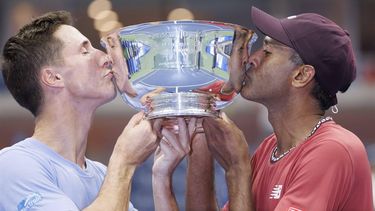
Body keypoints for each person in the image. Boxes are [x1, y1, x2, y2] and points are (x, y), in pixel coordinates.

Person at [182, 6, 373, 211]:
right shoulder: (269, 149)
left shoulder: (333, 149)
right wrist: (202, 122)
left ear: (301, 76)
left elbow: (238, 171)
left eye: (267, 52)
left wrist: (237, 169)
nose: (252, 59)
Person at [0, 10, 192, 211]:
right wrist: (124, 161)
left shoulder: (101, 175)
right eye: (85, 51)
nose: (105, 58)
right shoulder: (13, 165)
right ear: (53, 77)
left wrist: (161, 176)